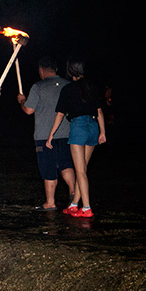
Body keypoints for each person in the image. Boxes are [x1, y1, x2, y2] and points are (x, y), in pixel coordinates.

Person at [46, 58, 106, 218]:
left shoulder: (68, 89)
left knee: (80, 171)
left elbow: (59, 114)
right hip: (92, 126)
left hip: (79, 127)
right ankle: (74, 205)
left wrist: (51, 134)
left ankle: (86, 207)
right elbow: (99, 111)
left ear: (70, 71)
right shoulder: (92, 87)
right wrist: (102, 132)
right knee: (83, 170)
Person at [18, 56, 76, 211]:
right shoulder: (68, 85)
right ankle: (74, 193)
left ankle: (50, 202)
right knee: (66, 164)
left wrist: (22, 101)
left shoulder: (38, 86)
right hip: (66, 133)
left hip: (44, 135)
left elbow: (29, 110)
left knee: (48, 166)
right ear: (56, 69)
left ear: (41, 70)